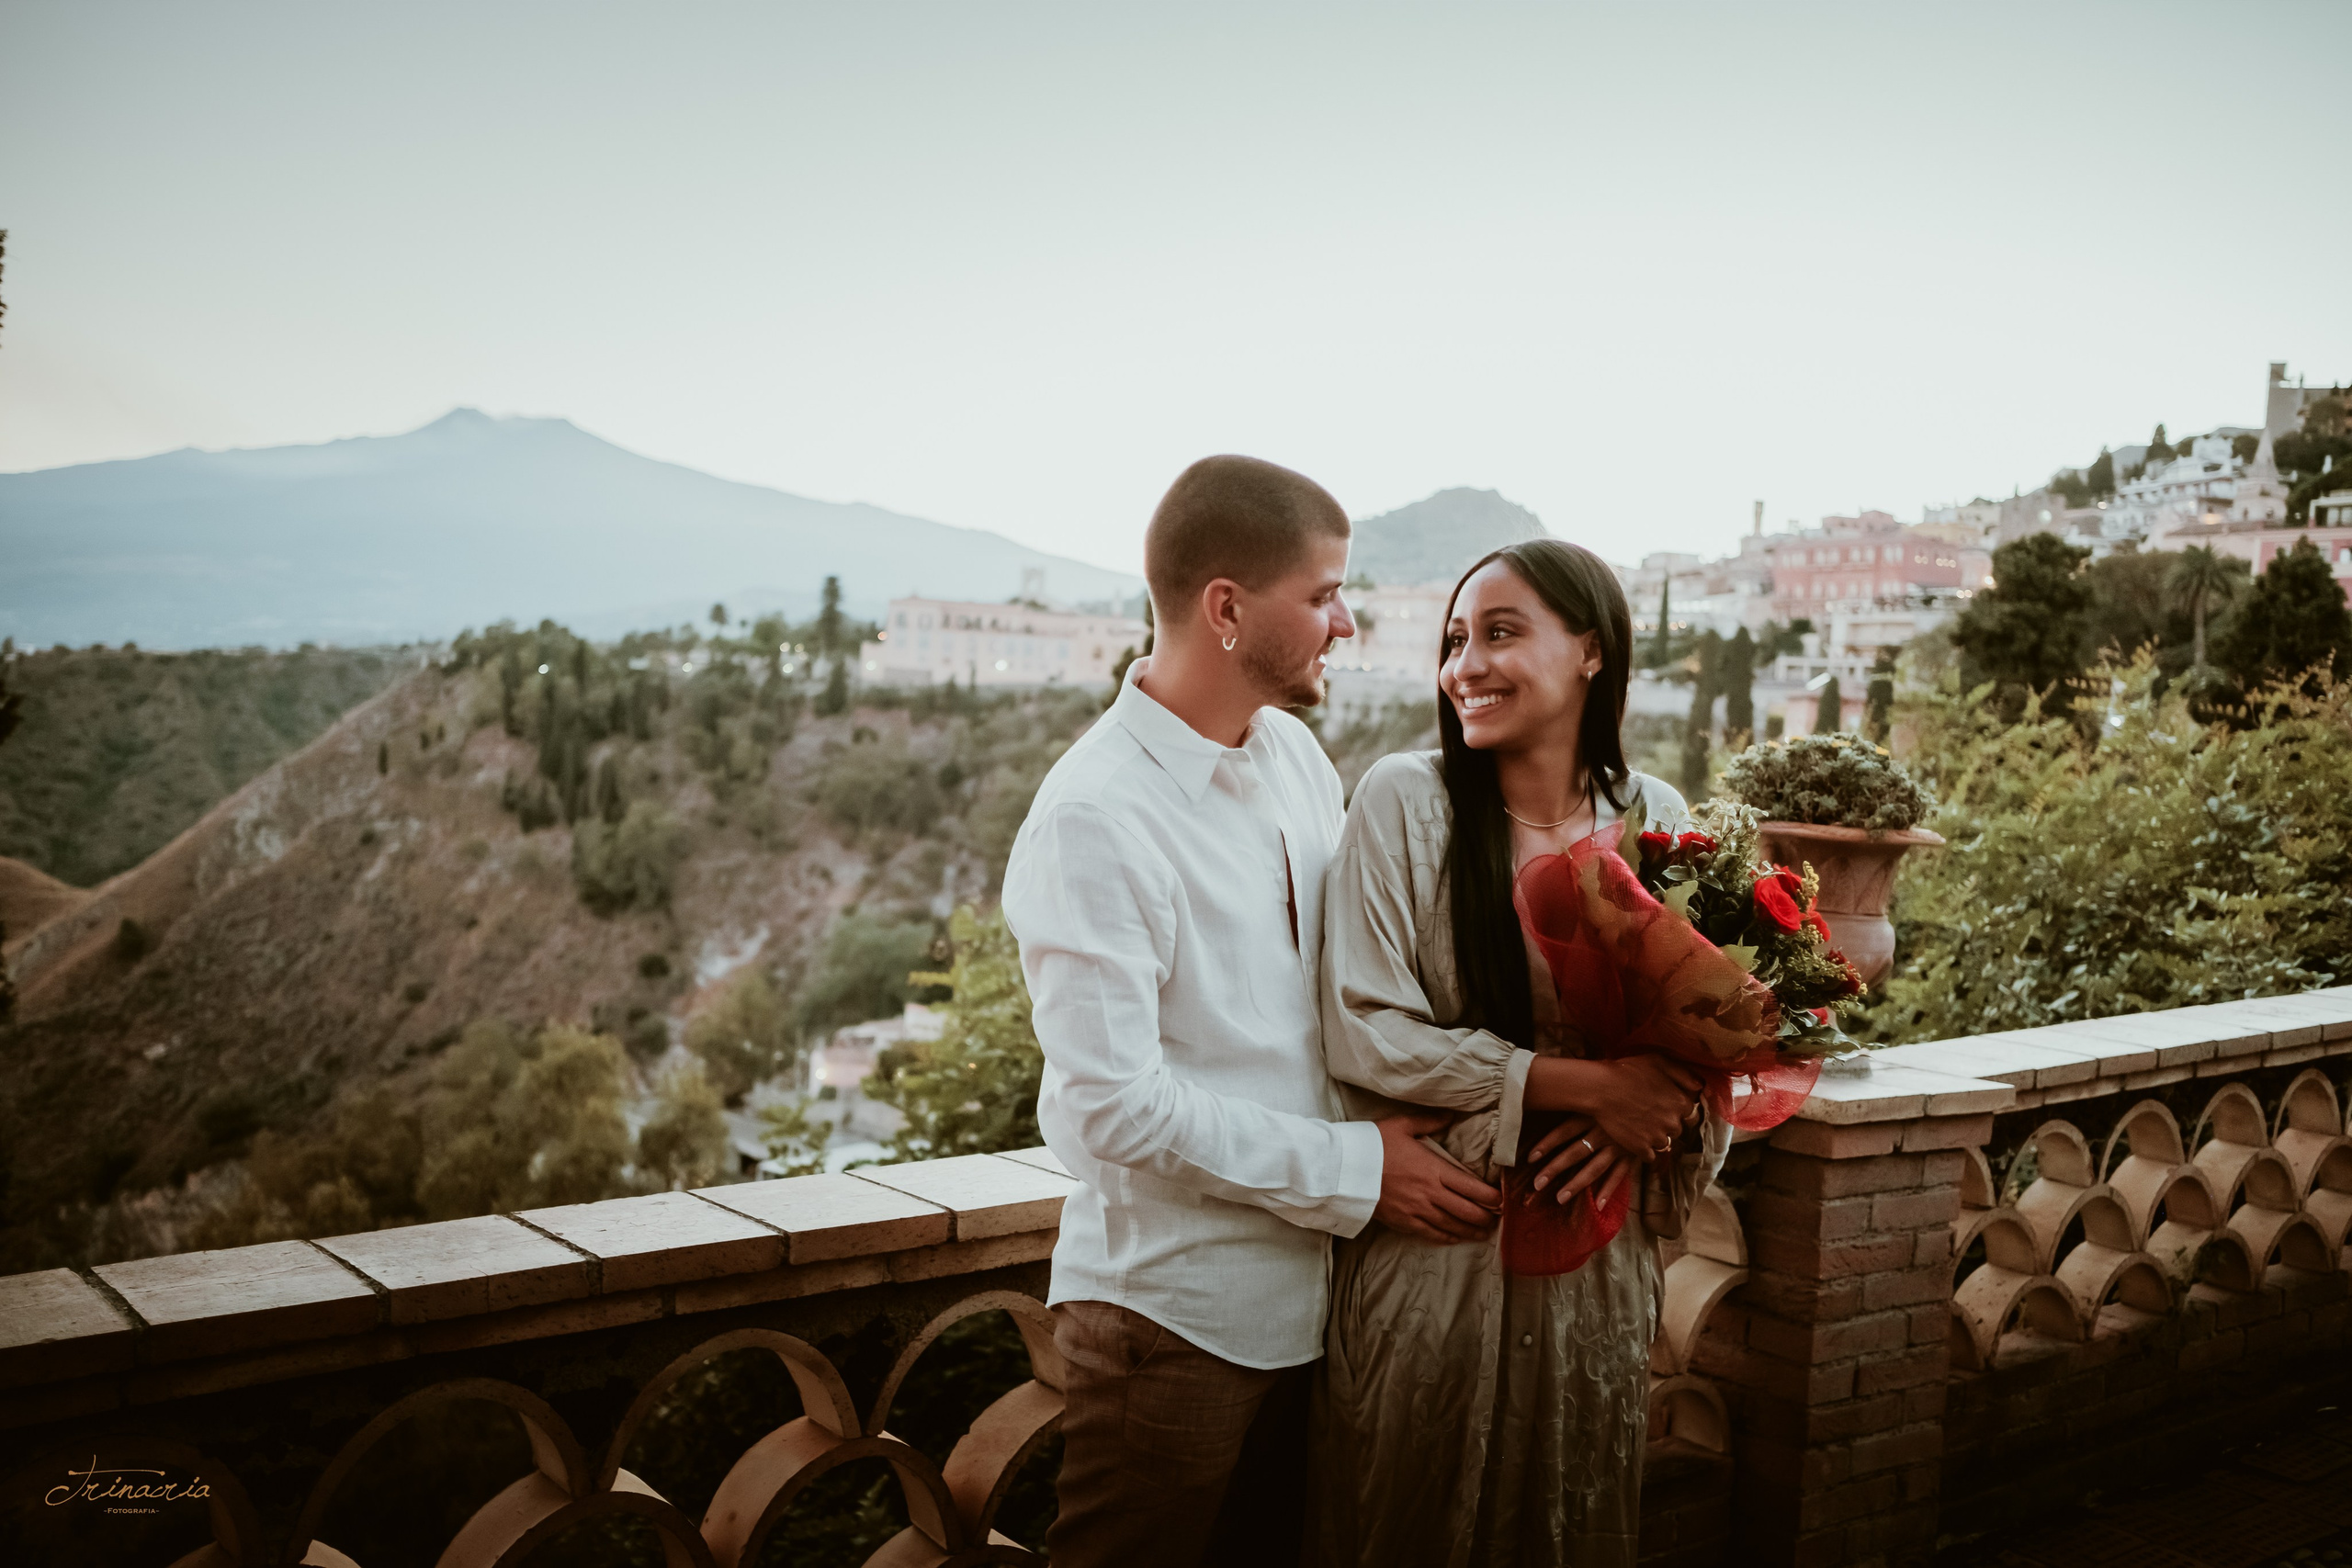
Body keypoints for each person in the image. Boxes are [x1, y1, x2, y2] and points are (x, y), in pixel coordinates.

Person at [1001, 455, 1503, 1568]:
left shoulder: (1293, 757)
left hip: (1320, 1310)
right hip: (1172, 1321)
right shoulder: (1094, 817)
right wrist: (1359, 1171)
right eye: (1324, 595)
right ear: (1225, 609)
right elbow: (1112, 1111)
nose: (1347, 623)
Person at [1307, 539, 1732, 1568]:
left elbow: (1709, 1039)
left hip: (1598, 1265)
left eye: (1500, 633)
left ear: (1592, 650)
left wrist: (1650, 1113)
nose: (1466, 666)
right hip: (1441, 1252)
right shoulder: (1404, 802)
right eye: (1455, 640)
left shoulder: (1658, 820)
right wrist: (1586, 1087)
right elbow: (1363, 1027)